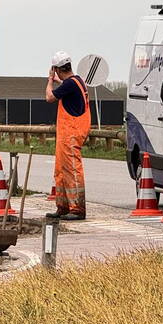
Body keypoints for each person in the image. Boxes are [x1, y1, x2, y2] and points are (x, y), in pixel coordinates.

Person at [45, 51, 90, 220]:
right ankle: (63, 206)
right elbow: (66, 85)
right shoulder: (77, 81)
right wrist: (58, 80)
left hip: (70, 133)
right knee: (61, 171)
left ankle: (77, 208)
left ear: (57, 69)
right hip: (69, 133)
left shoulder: (70, 84)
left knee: (72, 170)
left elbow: (49, 97)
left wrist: (50, 81)